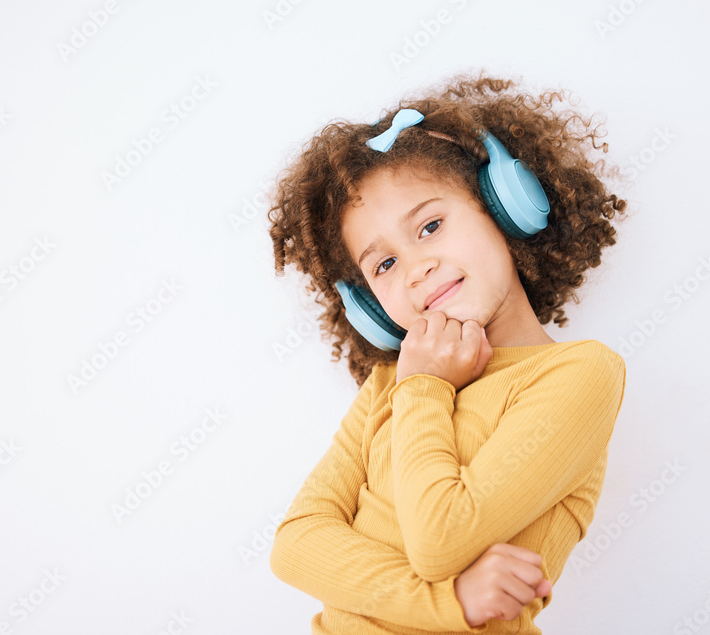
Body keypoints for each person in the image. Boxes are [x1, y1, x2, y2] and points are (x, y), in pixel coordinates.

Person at [266, 70, 629, 634]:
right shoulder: (391, 383)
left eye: (431, 225)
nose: (416, 269)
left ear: (506, 207)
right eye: (382, 264)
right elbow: (296, 543)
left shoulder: (577, 374)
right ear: (368, 303)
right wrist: (450, 602)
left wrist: (427, 387)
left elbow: (441, 538)